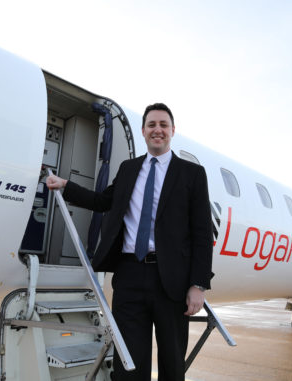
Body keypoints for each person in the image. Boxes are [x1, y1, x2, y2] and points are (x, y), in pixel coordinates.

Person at [46, 103, 213, 381]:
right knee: (128, 360)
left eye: (163, 125)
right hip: (129, 274)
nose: (157, 130)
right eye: (151, 125)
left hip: (170, 279)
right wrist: (66, 185)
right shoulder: (128, 169)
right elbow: (103, 201)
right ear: (144, 131)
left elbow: (202, 233)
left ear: (172, 130)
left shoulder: (191, 174)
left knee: (172, 359)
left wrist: (198, 284)